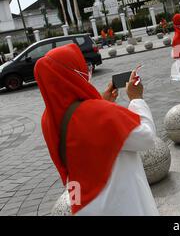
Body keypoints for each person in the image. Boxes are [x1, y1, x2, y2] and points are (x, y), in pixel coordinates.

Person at [34, 44, 159, 216]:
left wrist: (101, 101)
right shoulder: (97, 112)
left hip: (83, 203)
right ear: (73, 74)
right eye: (83, 67)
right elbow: (146, 137)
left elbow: (80, 130)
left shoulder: (48, 118)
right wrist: (137, 99)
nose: (87, 71)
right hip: (118, 202)